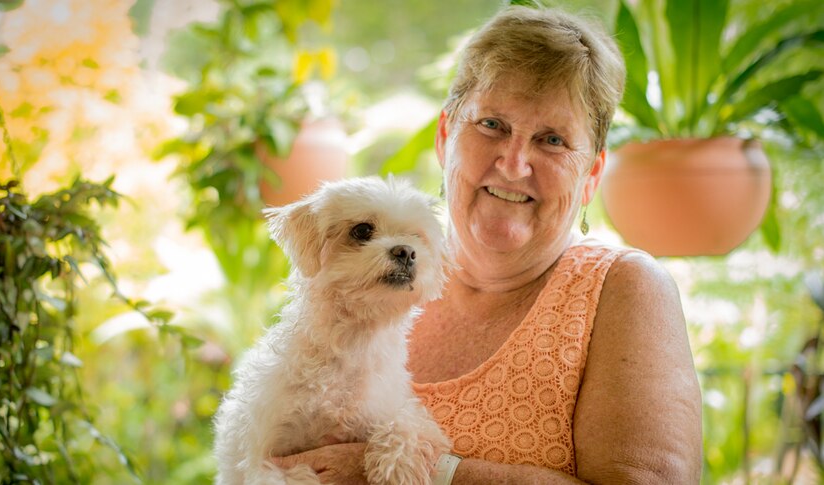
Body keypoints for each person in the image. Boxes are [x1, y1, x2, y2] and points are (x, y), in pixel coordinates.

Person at [274, 5, 702, 484]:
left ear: (591, 176)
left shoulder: (625, 289)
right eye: (492, 125)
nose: (515, 163)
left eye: (553, 140)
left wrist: (426, 473)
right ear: (445, 137)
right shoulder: (360, 288)